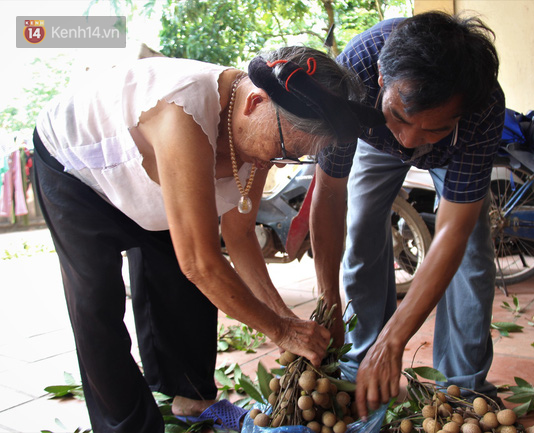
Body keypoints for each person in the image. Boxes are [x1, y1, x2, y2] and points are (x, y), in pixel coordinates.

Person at [32, 46, 383, 433]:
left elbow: (239, 236)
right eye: (286, 149)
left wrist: (285, 321)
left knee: (182, 291)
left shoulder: (256, 140)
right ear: (255, 102)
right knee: (96, 302)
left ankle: (190, 399)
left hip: (153, 183)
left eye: (295, 156)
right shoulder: (182, 112)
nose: (281, 162)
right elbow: (200, 263)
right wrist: (279, 331)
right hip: (78, 172)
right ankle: (126, 425)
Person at [309, 11, 506, 417]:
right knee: (362, 229)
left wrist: (396, 339)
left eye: (431, 129)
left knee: (472, 252)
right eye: (400, 117)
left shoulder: (481, 106)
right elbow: (329, 195)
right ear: (381, 79)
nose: (411, 141)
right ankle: (361, 364)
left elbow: (454, 228)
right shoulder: (354, 74)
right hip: (372, 142)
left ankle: (461, 387)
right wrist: (330, 305)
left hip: (453, 154)